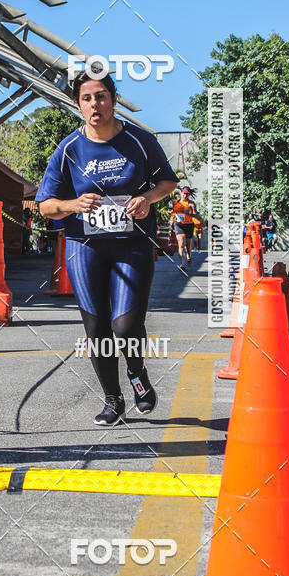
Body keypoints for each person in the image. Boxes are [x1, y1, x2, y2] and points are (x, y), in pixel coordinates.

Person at [37, 70, 178, 426]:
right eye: (86, 98)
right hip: (85, 247)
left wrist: (146, 198)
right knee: (97, 330)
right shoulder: (69, 149)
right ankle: (113, 400)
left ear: (113, 100)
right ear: (78, 105)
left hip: (132, 246)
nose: (94, 104)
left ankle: (137, 374)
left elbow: (168, 182)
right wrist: (73, 205)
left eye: (101, 96)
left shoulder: (141, 140)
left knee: (126, 326)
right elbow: (45, 205)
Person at [170, 187, 198, 269]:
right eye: (184, 193)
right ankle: (182, 263)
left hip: (189, 225)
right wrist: (171, 212)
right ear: (181, 193)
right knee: (181, 244)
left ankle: (189, 257)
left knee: (188, 244)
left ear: (189, 194)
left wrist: (188, 213)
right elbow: (174, 212)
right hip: (179, 224)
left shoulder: (191, 203)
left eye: (187, 194)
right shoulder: (176, 202)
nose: (185, 195)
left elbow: (195, 214)